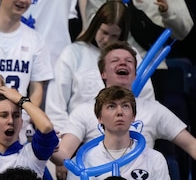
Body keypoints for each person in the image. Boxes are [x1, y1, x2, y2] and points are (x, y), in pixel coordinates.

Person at [53, 41, 196, 162]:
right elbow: (63, 153)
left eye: (128, 61)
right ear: (103, 73)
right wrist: (46, 144)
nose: (122, 63)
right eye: (115, 61)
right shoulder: (84, 111)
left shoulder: (153, 109)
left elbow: (191, 144)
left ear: (135, 73)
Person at [62, 86, 175, 180]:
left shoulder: (154, 159)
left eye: (125, 106)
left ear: (133, 116)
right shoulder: (81, 164)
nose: (119, 112)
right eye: (111, 106)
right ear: (99, 118)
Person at [44, 0, 152, 133]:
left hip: (123, 138)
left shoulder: (131, 57)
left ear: (122, 34)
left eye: (114, 36)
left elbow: (146, 103)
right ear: (95, 26)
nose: (107, 40)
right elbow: (56, 104)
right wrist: (64, 136)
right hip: (79, 138)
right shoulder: (72, 53)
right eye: (104, 32)